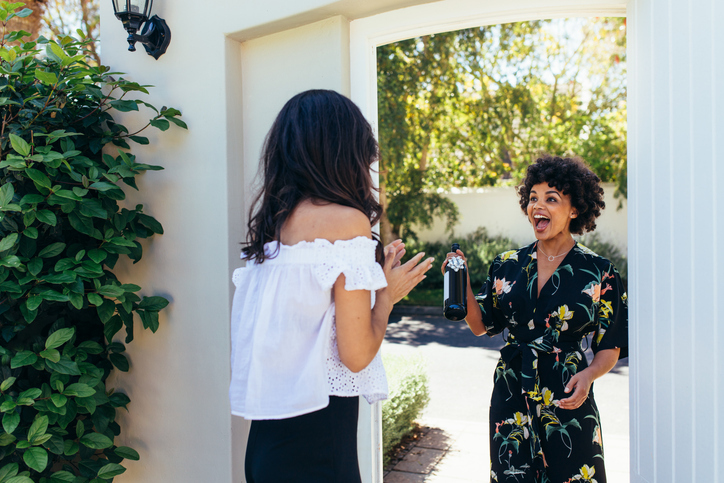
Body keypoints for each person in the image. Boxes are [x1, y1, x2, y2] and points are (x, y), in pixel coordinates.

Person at [229, 89, 434, 483]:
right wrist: (386, 296)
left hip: (265, 448)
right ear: (342, 151)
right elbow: (355, 356)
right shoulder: (347, 223)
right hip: (317, 451)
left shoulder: (274, 228)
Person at [442, 155, 628, 483]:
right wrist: (463, 281)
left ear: (575, 210)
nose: (537, 206)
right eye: (533, 198)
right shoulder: (507, 264)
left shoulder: (600, 272)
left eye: (551, 199)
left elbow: (609, 345)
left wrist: (588, 377)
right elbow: (479, 325)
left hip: (569, 393)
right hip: (512, 391)